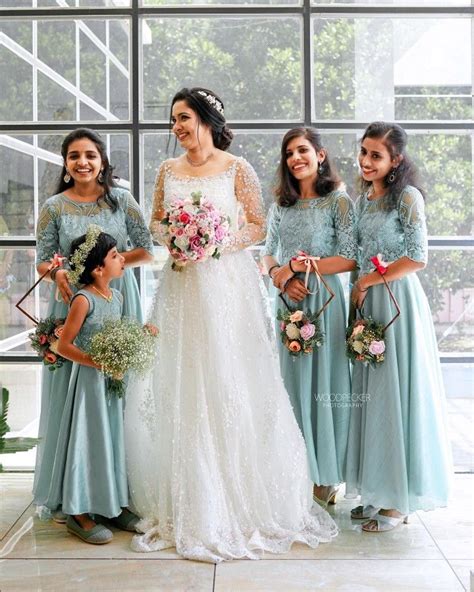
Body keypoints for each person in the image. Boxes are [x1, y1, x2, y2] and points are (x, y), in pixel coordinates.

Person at [124, 87, 338, 562]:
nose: (177, 128)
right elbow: (158, 222)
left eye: (183, 118)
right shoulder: (166, 170)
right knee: (184, 379)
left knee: (231, 378)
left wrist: (215, 241)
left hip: (225, 285)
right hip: (181, 286)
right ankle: (191, 496)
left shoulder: (237, 167)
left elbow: (257, 226)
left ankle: (243, 497)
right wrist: (178, 236)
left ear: (205, 120)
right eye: (172, 120)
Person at [33, 128, 153, 520]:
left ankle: (118, 492)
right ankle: (75, 491)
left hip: (117, 296)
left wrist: (105, 270)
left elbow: (146, 249)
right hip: (72, 300)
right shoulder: (53, 207)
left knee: (121, 390)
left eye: (89, 155)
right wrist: (62, 276)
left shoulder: (121, 200)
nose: (82, 162)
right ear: (65, 164)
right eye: (74, 156)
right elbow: (44, 258)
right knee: (75, 390)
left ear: (102, 161)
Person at [345, 121, 452, 532]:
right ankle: (377, 490)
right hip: (368, 303)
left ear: (396, 159)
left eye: (376, 155)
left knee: (396, 394)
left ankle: (398, 501)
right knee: (372, 398)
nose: (367, 161)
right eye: (364, 152)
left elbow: (418, 256)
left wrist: (371, 279)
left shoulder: (406, 198)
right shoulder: (364, 198)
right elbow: (355, 253)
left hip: (397, 301)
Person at [262, 127, 357, 506]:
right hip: (288, 302)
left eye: (303, 150)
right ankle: (293, 470)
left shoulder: (338, 201)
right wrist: (281, 275)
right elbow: (267, 253)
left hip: (326, 300)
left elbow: (350, 257)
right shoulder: (279, 206)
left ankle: (326, 475)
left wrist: (305, 267)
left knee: (327, 385)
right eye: (289, 153)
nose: (295, 158)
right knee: (290, 384)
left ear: (320, 155)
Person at [54, 228, 140, 544]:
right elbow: (64, 346)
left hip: (112, 383)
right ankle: (78, 513)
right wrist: (98, 362)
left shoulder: (116, 297)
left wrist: (141, 336)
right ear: (98, 269)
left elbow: (118, 336)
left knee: (112, 438)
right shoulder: (83, 299)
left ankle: (111, 505)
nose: (122, 259)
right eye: (115, 256)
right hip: (90, 383)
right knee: (89, 439)